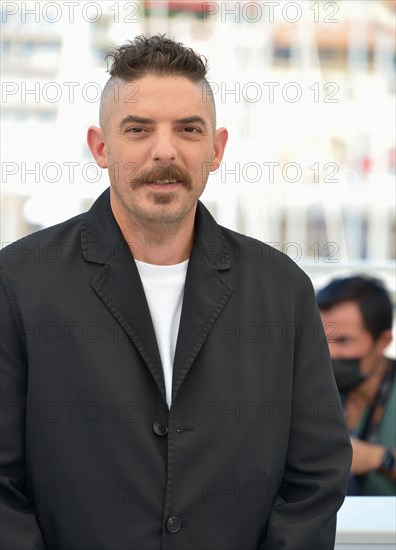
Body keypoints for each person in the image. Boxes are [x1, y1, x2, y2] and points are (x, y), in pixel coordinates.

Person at [0, 35, 351, 550]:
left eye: (188, 130)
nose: (164, 150)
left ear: (217, 148)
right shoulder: (18, 282)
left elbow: (316, 476)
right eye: (138, 130)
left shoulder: (282, 289)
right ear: (101, 147)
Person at [317, 276, 396, 496]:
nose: (329, 353)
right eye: (321, 340)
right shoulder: (310, 390)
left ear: (382, 342)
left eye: (343, 341)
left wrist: (378, 458)